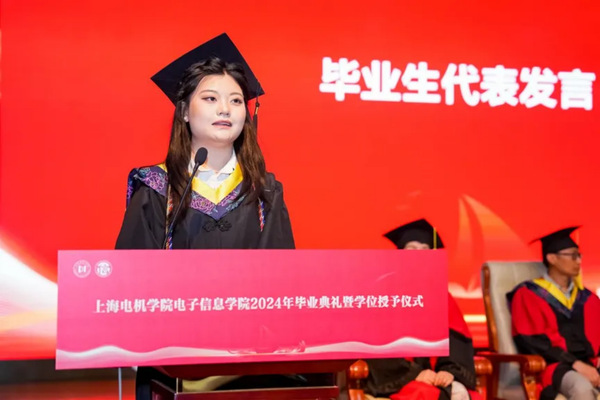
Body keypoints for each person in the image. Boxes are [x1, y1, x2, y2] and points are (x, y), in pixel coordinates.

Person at [115, 33, 295, 399]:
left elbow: (282, 282)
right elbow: (130, 284)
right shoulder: (155, 188)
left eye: (236, 100)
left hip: (248, 367)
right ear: (184, 111)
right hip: (171, 361)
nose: (225, 109)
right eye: (211, 99)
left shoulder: (266, 192)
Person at [364, 219, 479, 400]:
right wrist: (414, 374)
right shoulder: (383, 294)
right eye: (412, 249)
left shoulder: (442, 296)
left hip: (436, 377)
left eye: (425, 249)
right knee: (426, 394)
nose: (418, 255)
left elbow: (456, 340)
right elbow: (375, 343)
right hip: (399, 379)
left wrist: (449, 371)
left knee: (464, 393)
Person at [507, 227, 600, 400]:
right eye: (573, 256)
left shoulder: (588, 299)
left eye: (579, 255)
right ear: (552, 258)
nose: (578, 261)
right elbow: (532, 341)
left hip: (591, 364)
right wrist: (575, 363)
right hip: (555, 366)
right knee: (581, 388)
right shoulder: (529, 294)